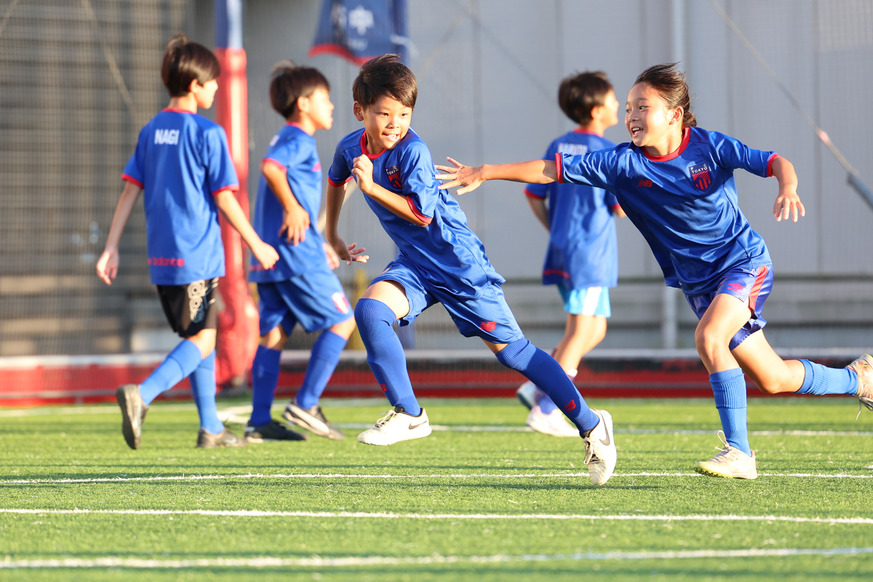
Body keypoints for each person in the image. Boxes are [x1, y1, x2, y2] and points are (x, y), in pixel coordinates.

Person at [436, 62, 873, 480]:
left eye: (641, 107)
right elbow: (550, 170)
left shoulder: (709, 146)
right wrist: (486, 172)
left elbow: (775, 161)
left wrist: (788, 187)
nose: (631, 116)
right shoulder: (622, 163)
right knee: (773, 379)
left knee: (709, 338)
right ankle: (860, 380)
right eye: (628, 108)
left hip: (743, 262)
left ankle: (739, 452)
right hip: (700, 285)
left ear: (674, 115)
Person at [324, 54, 617, 486]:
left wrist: (369, 187)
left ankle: (592, 425)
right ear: (359, 111)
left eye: (404, 114)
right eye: (384, 114)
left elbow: (421, 215)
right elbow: (336, 179)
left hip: (460, 265)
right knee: (369, 311)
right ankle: (409, 413)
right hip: (416, 264)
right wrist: (332, 235)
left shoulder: (413, 151)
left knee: (514, 354)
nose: (394, 124)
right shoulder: (351, 146)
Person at [96, 34, 279, 450]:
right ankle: (142, 394)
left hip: (162, 258)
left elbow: (129, 191)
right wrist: (256, 243)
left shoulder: (150, 131)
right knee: (202, 339)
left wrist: (111, 247)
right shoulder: (207, 132)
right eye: (213, 81)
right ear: (196, 85)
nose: (216, 87)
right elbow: (225, 199)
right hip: (196, 257)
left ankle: (210, 427)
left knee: (201, 335)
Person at [246, 61, 365, 442]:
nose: (331, 105)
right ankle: (306, 403)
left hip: (276, 258)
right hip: (295, 256)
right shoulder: (297, 138)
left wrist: (320, 241)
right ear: (303, 104)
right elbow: (270, 168)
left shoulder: (291, 138)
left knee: (274, 336)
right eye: (325, 98)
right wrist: (293, 209)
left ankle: (259, 421)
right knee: (343, 320)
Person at [515, 71, 625, 438]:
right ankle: (547, 407)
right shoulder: (606, 151)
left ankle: (538, 386)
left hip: (565, 250)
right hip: (591, 255)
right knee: (580, 332)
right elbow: (620, 208)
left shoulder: (559, 145)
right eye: (613, 100)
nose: (619, 105)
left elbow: (533, 194)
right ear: (596, 110)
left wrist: (555, 229)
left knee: (595, 328)